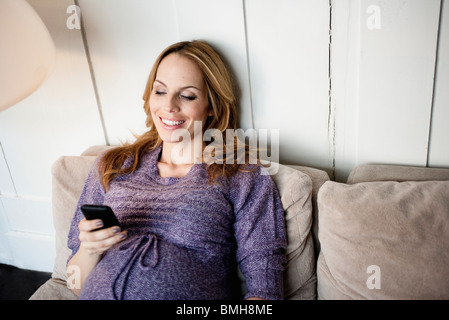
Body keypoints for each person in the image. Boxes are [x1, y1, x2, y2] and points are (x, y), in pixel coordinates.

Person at [66, 40, 287, 300]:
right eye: (160, 91)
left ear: (212, 104)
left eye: (187, 95)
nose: (169, 106)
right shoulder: (112, 165)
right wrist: (89, 251)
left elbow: (265, 290)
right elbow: (76, 284)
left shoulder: (243, 176)